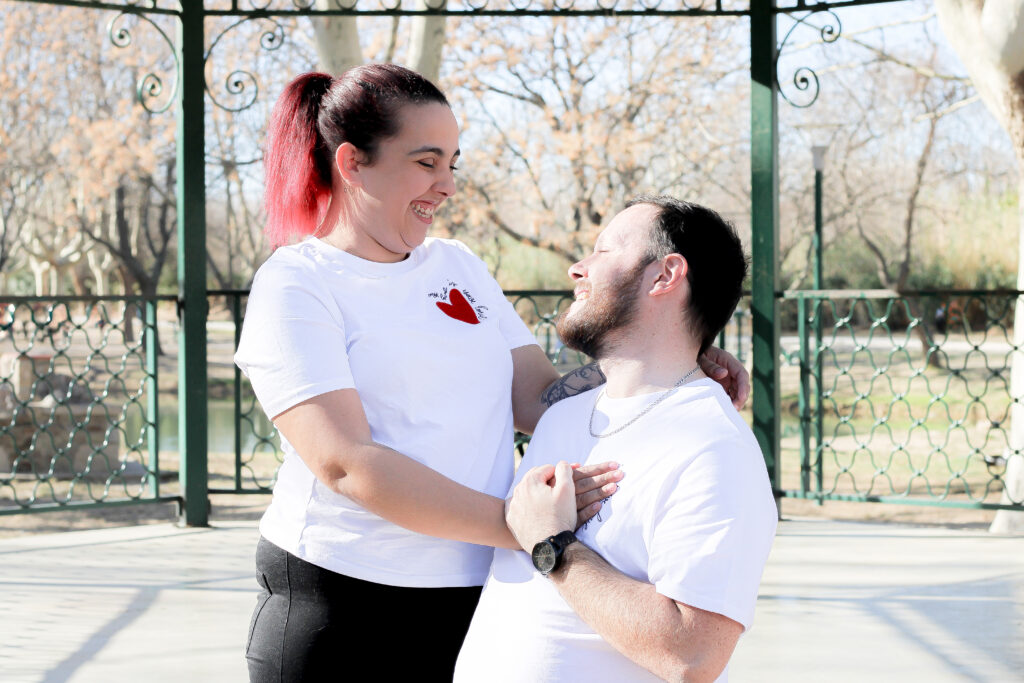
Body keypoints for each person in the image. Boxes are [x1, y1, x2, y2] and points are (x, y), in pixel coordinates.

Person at [234, 65, 750, 681]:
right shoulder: (296, 283)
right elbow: (346, 462)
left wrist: (680, 359)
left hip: (469, 597)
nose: (447, 184)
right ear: (352, 163)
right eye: (427, 162)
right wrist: (526, 529)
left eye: (453, 162)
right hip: (339, 602)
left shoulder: (458, 266)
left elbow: (537, 397)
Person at [455, 196, 778, 683]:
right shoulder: (562, 417)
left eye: (603, 252)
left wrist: (554, 545)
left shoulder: (713, 447)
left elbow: (693, 657)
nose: (577, 269)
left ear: (666, 275)